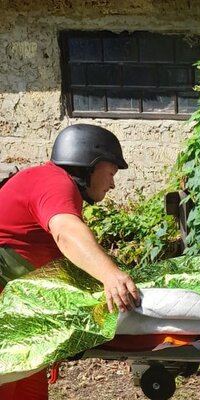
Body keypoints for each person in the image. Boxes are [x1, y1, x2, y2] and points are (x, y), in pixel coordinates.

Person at [0, 123, 141, 400]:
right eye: (111, 173)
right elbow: (66, 232)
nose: (112, 184)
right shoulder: (54, 183)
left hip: (17, 318)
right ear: (89, 165)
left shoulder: (48, 181)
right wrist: (110, 275)